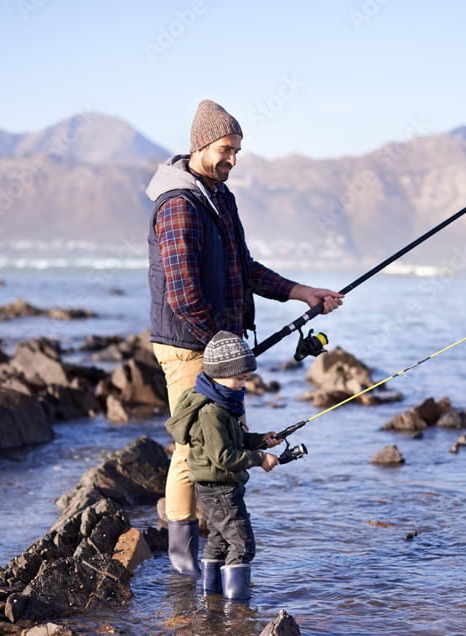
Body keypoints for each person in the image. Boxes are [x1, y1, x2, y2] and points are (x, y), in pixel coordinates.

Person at [146, 99, 343, 577]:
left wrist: (302, 293)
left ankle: (215, 551)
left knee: (222, 445)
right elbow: (184, 295)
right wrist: (225, 355)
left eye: (237, 150)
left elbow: (243, 268)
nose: (233, 158)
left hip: (217, 347)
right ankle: (182, 562)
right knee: (194, 452)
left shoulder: (218, 196)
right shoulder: (179, 205)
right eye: (226, 148)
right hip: (191, 346)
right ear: (201, 145)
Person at [165, 331, 280, 599]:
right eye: (239, 378)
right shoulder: (211, 412)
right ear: (220, 374)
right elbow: (224, 456)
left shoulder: (220, 403)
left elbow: (236, 440)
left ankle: (213, 598)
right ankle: (237, 607)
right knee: (242, 544)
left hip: (213, 488)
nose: (243, 385)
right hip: (221, 490)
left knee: (218, 542)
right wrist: (260, 459)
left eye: (246, 379)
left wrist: (261, 441)